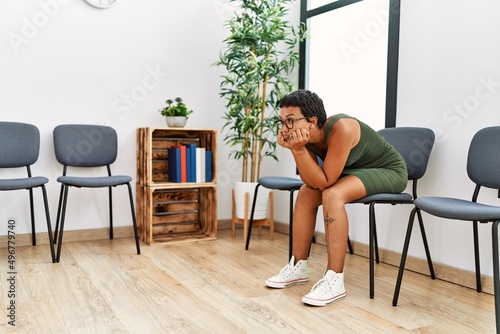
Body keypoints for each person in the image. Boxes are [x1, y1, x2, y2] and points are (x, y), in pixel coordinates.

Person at [265, 90, 408, 306]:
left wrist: (298, 150)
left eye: (291, 121)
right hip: (353, 171)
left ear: (312, 121)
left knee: (332, 195)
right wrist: (297, 150)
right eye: (282, 121)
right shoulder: (306, 138)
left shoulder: (342, 128)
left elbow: (326, 182)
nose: (285, 129)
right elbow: (311, 181)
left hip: (388, 171)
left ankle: (335, 279)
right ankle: (298, 266)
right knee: (305, 192)